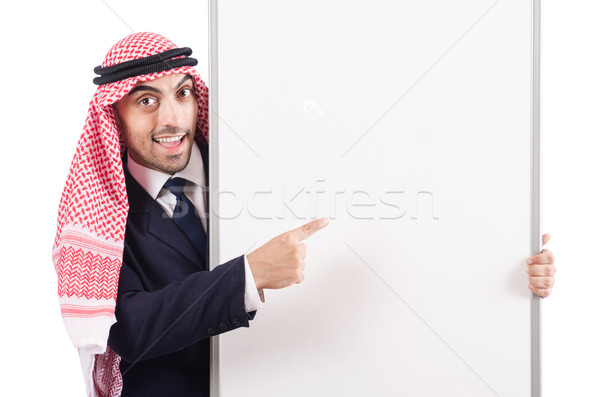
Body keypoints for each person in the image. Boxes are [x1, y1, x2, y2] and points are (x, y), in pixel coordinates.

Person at [52, 32, 555, 396]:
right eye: (146, 101)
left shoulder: (261, 159)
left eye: (183, 93)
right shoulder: (100, 214)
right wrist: (247, 275)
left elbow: (388, 224)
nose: (172, 118)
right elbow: (126, 329)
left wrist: (500, 262)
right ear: (112, 116)